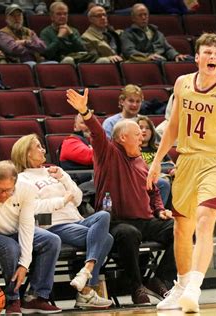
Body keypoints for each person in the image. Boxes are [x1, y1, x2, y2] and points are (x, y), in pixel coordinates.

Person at [146, 33, 216, 313]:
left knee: (206, 221)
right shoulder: (182, 83)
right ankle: (180, 286)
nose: (213, 58)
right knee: (182, 228)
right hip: (187, 161)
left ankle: (194, 286)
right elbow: (172, 126)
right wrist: (156, 161)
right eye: (207, 53)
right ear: (197, 57)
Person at [66, 88, 176, 305]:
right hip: (118, 221)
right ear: (123, 137)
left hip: (146, 219)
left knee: (181, 229)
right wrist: (85, 112)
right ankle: (136, 287)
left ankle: (160, 279)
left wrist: (160, 209)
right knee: (128, 233)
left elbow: (153, 191)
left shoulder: (140, 160)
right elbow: (97, 133)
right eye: (137, 133)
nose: (142, 136)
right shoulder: (109, 153)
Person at [10, 134, 113, 309]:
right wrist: (61, 202)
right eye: (38, 147)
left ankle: (85, 273)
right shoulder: (22, 179)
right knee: (107, 238)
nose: (43, 150)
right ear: (26, 153)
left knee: (103, 216)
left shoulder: (55, 171)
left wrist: (63, 178)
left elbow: (78, 199)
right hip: (53, 224)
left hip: (76, 220)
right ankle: (86, 291)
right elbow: (32, 208)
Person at [0, 160, 62, 315]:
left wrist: (24, 264)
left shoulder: (26, 189)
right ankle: (12, 299)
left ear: (15, 184)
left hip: (16, 230)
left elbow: (26, 227)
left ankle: (36, 297)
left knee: (52, 240)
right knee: (10, 247)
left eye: (8, 191)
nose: (3, 195)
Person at [120, 3, 188, 62]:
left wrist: (176, 55)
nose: (143, 17)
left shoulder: (156, 32)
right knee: (158, 60)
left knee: (188, 59)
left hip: (162, 59)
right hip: (146, 62)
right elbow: (129, 51)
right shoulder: (128, 34)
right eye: (140, 15)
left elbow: (167, 48)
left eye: (145, 14)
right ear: (133, 18)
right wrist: (147, 56)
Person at [135, 115, 173, 206]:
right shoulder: (133, 149)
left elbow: (170, 165)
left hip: (161, 176)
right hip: (142, 179)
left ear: (152, 132)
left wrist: (173, 170)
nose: (144, 130)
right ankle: (159, 214)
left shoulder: (158, 149)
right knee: (164, 183)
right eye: (141, 128)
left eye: (147, 128)